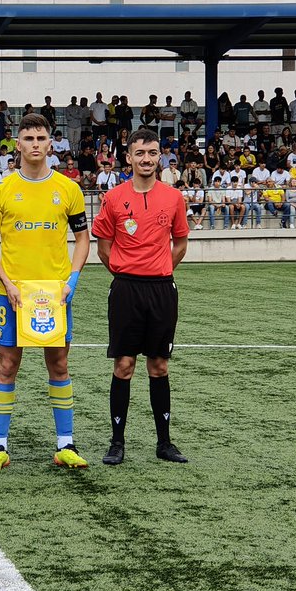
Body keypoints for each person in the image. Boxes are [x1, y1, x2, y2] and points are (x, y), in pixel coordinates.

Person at [0, 113, 91, 470]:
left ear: (51, 142)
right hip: (12, 294)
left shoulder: (68, 189)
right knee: (7, 364)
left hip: (55, 295)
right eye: (29, 138)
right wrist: (8, 283)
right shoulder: (2, 191)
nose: (36, 144)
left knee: (59, 363)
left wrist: (72, 279)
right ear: (18, 143)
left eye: (41, 138)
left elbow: (83, 238)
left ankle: (65, 445)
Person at [90, 128, 190, 465]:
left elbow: (180, 243)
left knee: (159, 366)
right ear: (128, 157)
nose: (146, 159)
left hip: (162, 289)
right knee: (124, 365)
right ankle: (117, 442)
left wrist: (160, 267)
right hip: (125, 290)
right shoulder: (114, 197)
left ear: (159, 156)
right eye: (140, 153)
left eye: (152, 153)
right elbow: (103, 247)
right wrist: (126, 270)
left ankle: (164, 443)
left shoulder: (173, 198)